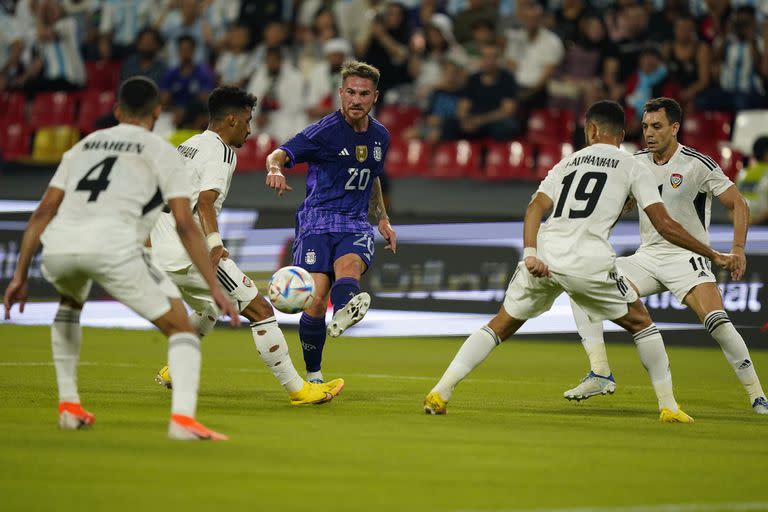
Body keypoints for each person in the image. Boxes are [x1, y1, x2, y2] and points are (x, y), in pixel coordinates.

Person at [424, 100, 739, 422]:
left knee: (500, 324)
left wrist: (530, 253)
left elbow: (535, 208)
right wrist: (712, 253)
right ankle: (669, 407)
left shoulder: (567, 163)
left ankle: (441, 391)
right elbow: (665, 225)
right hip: (587, 259)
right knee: (642, 324)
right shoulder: (633, 166)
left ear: (591, 130)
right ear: (623, 132)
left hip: (545, 254)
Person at [2, 77, 241, 440]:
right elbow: (184, 224)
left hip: (61, 246)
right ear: (156, 113)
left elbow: (42, 213)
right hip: (115, 247)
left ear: (116, 111)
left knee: (69, 303)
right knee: (181, 328)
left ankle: (68, 405)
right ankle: (183, 422)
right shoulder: (162, 152)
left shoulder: (83, 146)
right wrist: (214, 286)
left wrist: (19, 276)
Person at [563, 98, 768, 415]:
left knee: (718, 323)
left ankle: (757, 395)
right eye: (645, 126)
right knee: (580, 281)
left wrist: (738, 249)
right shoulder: (635, 163)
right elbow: (619, 205)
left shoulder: (697, 164)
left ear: (675, 128)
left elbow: (738, 203)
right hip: (647, 258)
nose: (649, 133)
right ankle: (600, 371)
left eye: (657, 126)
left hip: (688, 259)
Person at [150, 86, 344, 405]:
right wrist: (214, 244)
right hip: (192, 251)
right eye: (247, 120)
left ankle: (176, 368)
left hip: (162, 248)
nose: (250, 129)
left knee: (209, 307)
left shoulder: (186, 146)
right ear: (231, 119)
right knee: (260, 309)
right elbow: (207, 202)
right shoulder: (222, 152)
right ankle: (299, 389)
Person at [264, 60, 397, 384]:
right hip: (317, 221)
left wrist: (383, 219)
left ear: (374, 97)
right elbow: (278, 153)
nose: (356, 99)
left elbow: (373, 178)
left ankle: (347, 307)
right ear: (340, 93)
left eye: (363, 94)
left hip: (354, 221)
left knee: (350, 266)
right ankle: (314, 374)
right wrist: (275, 170)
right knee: (315, 297)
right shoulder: (323, 132)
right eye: (350, 92)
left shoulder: (381, 136)